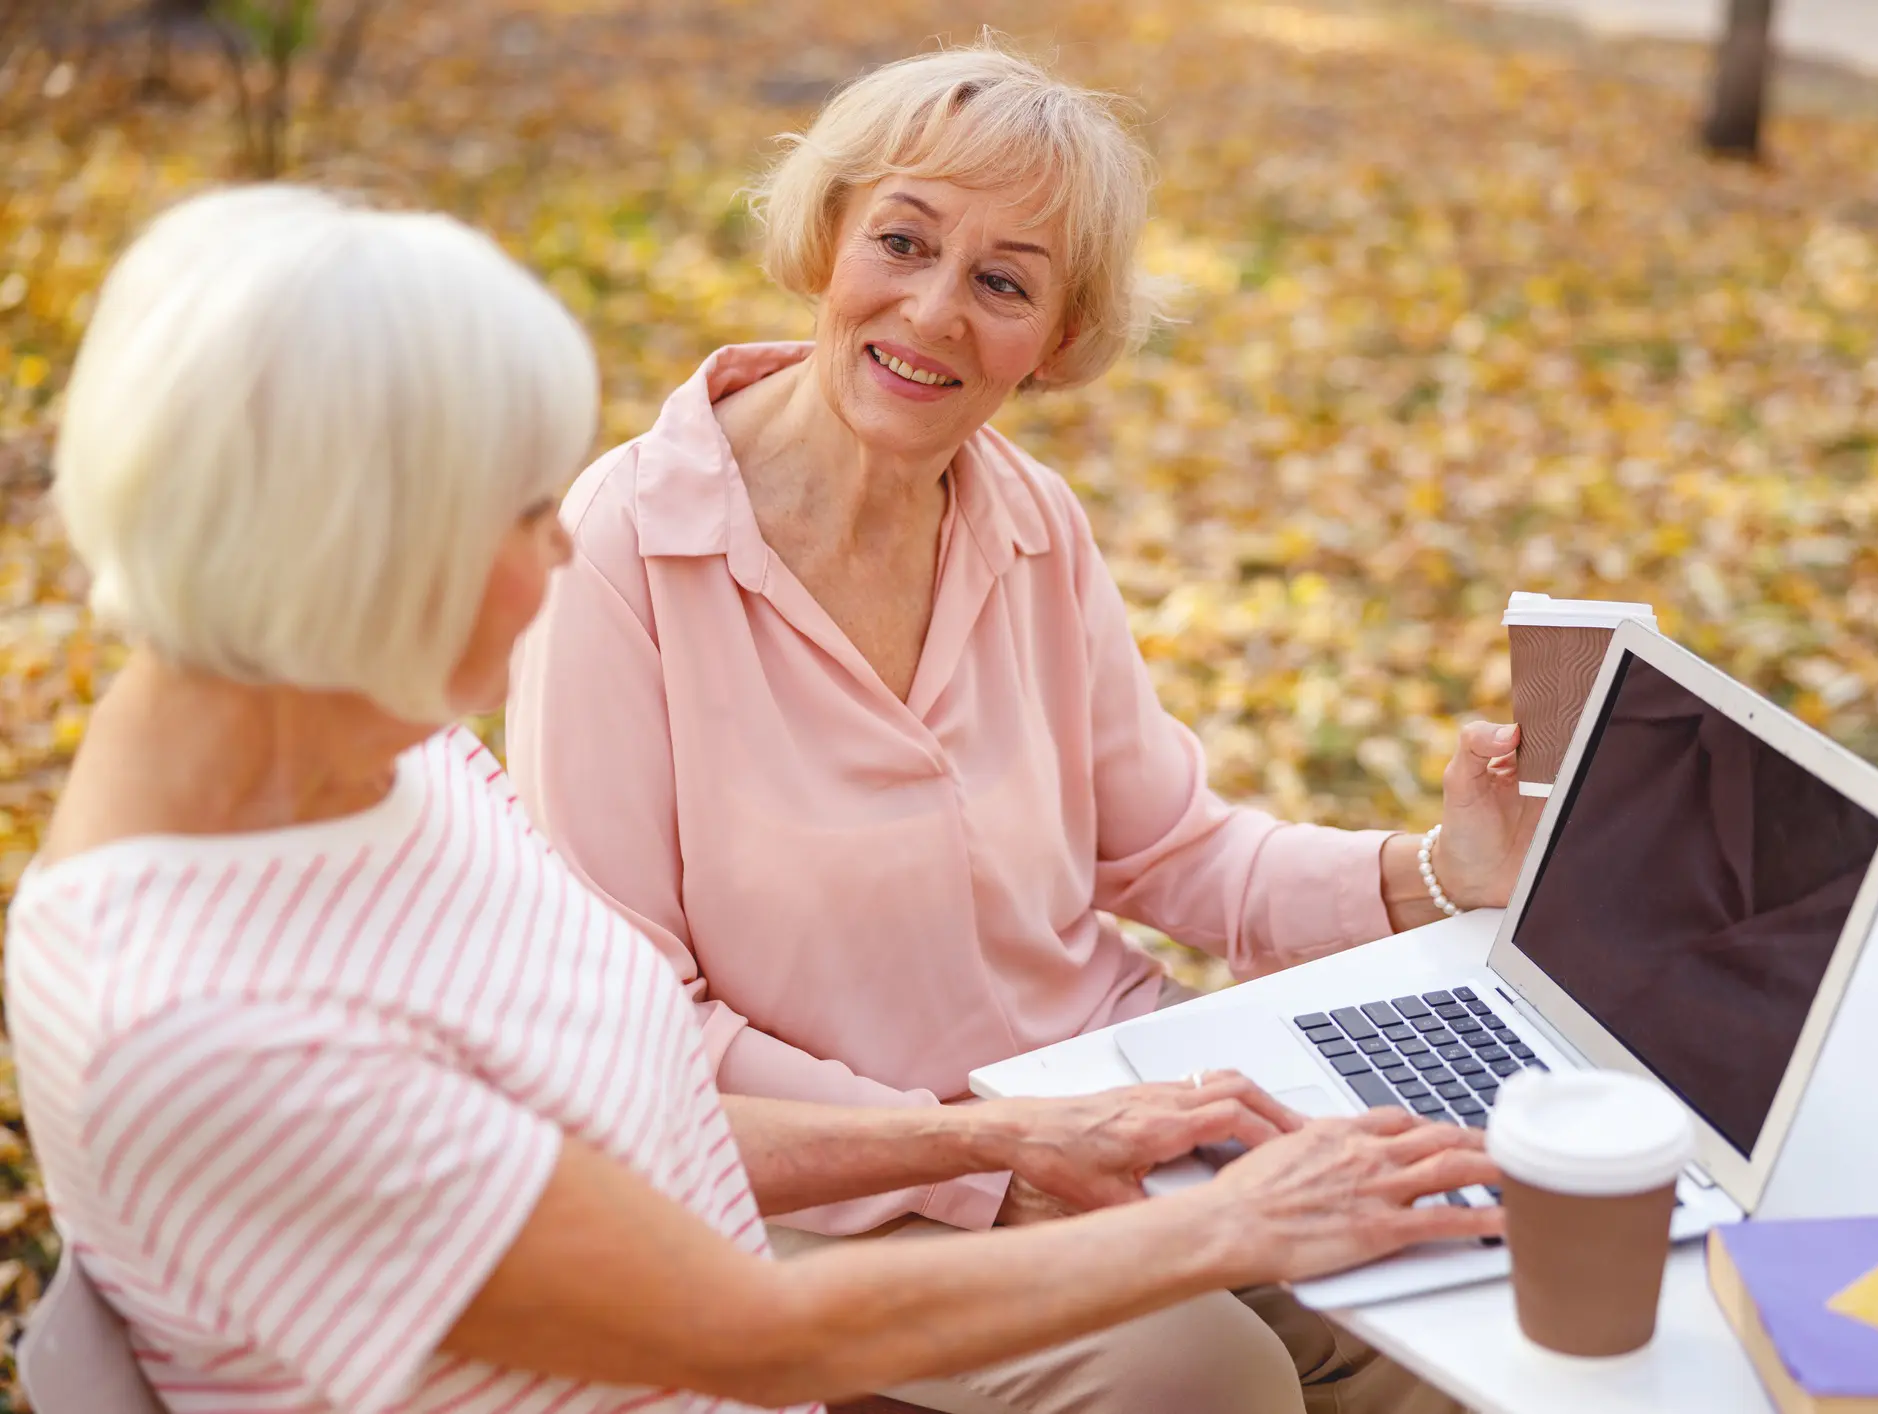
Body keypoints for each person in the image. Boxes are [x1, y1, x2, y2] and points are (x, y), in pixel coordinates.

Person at [0, 185, 1505, 1414]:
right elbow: (751, 1334)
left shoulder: (380, 772)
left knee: (1476, 1300)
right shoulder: (211, 1026)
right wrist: (1224, 1225)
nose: (566, 554)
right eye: (524, 514)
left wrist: (993, 1137)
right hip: (773, 1354)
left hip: (864, 1245)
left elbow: (651, 1111)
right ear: (348, 540)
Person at [507, 36, 1540, 1414]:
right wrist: (983, 1166)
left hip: (1119, 1098)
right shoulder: (626, 545)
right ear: (826, 241)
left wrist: (1433, 873)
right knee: (1209, 1377)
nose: (934, 311)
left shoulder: (1032, 522)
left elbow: (1174, 847)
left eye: (1002, 281)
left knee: (1472, 1292)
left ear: (1055, 342)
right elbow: (631, 1034)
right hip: (831, 1190)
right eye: (903, 240)